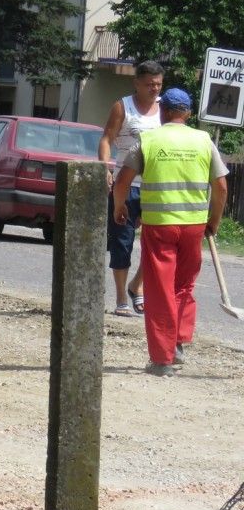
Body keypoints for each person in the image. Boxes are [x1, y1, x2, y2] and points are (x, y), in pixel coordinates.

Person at [113, 87, 228, 377]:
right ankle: (178, 343)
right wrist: (214, 220)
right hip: (193, 226)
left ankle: (162, 360)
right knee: (183, 287)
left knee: (160, 290)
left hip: (160, 225)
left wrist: (119, 207)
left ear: (163, 111)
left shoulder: (148, 140)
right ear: (187, 114)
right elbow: (221, 187)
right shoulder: (203, 141)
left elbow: (123, 179)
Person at [100, 60, 164, 317]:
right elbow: (107, 138)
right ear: (137, 83)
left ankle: (136, 286)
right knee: (122, 241)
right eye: (149, 84)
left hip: (155, 187)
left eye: (158, 84)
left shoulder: (165, 110)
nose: (154, 89)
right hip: (126, 185)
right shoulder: (122, 106)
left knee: (157, 243)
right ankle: (120, 300)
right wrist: (105, 166)